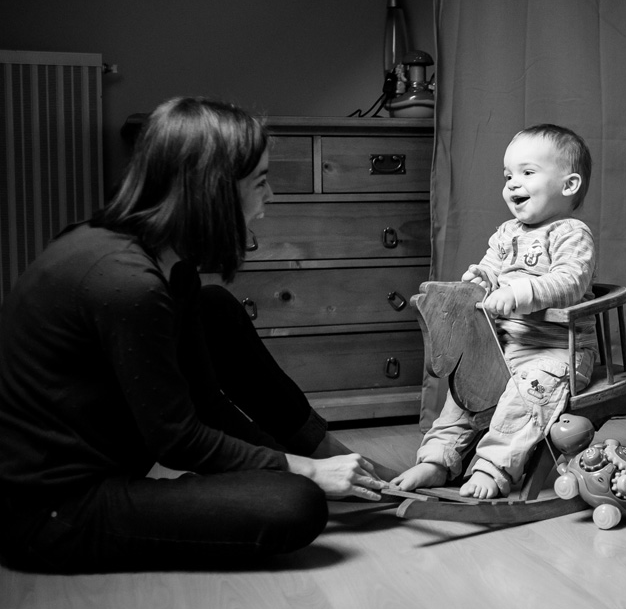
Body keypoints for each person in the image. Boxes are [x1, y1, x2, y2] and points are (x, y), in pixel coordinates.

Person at [0, 97, 391, 573]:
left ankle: (346, 466)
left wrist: (307, 461)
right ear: (213, 190)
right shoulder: (125, 282)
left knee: (215, 308)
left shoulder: (168, 263)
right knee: (296, 504)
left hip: (109, 460)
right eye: (261, 181)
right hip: (51, 510)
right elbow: (178, 439)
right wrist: (303, 472)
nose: (271, 194)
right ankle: (318, 468)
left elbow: (209, 405)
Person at [391, 124, 598, 499]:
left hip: (556, 354)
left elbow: (571, 281)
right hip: (504, 346)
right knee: (464, 390)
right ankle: (438, 460)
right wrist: (481, 278)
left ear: (568, 185)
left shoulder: (571, 233)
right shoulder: (506, 233)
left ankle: (493, 467)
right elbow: (491, 267)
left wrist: (520, 292)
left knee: (524, 398)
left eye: (527, 173)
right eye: (507, 176)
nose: (513, 184)